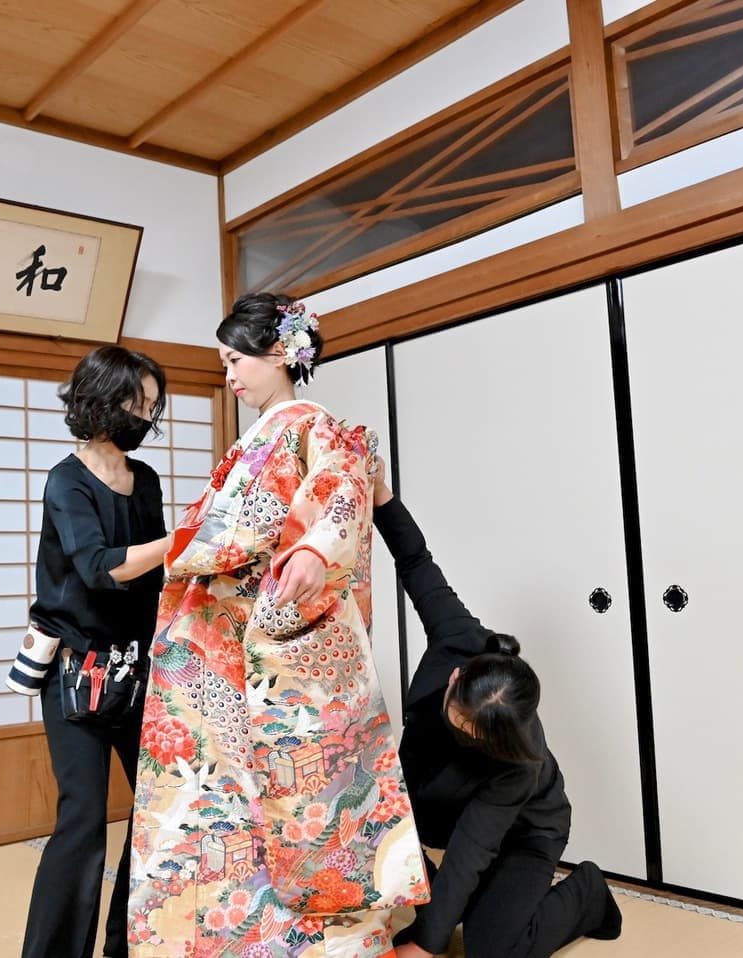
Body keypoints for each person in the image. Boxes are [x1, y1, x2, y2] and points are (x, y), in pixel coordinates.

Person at [125, 293, 426, 957]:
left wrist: (318, 548)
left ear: (279, 356)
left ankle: (311, 937)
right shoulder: (261, 435)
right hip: (229, 641)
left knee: (295, 792)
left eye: (237, 360)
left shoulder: (312, 425)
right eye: (225, 361)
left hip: (279, 648)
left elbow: (345, 485)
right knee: (223, 794)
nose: (230, 375)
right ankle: (239, 935)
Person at [367, 462, 623, 958]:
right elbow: (417, 563)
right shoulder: (459, 638)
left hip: (527, 833)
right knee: (370, 815)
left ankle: (588, 893)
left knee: (491, 950)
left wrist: (425, 945)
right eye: (457, 716)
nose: (459, 729)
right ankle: (441, 910)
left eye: (471, 733)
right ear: (458, 677)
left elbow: (469, 852)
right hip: (439, 802)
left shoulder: (518, 762)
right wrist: (382, 497)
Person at [7, 345, 172, 958]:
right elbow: (102, 569)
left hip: (140, 668)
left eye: (152, 406)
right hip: (76, 669)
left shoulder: (145, 478)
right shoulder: (66, 480)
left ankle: (126, 944)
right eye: (139, 402)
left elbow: (156, 574)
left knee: (155, 809)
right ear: (102, 398)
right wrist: (180, 539)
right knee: (81, 820)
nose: (145, 417)